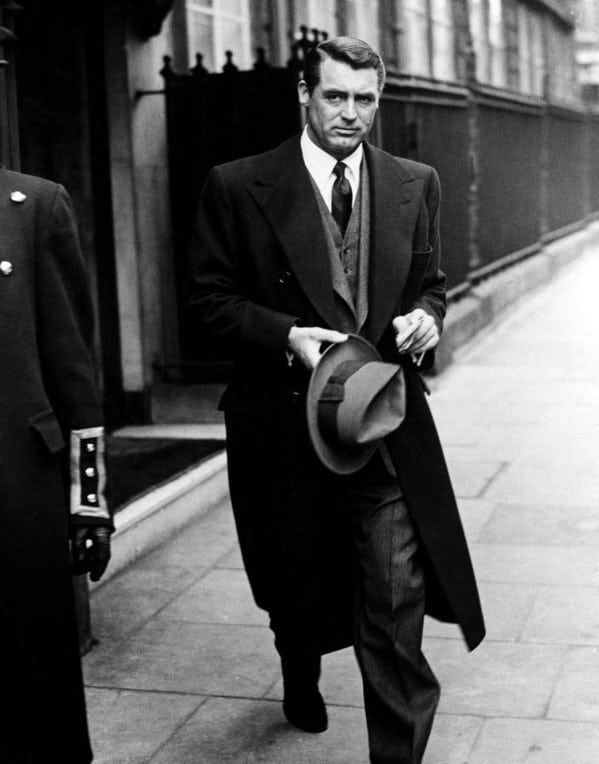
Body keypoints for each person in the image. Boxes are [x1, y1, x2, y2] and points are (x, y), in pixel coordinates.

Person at [189, 36, 485, 764]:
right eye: (335, 96)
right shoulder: (238, 184)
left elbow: (431, 284)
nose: (350, 113)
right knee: (295, 583)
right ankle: (299, 665)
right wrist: (284, 334)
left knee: (395, 595)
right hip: (282, 424)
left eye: (365, 99)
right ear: (304, 95)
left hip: (382, 424)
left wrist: (427, 318)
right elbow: (206, 302)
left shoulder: (415, 182)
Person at [0, 166, 112, 762]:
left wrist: (88, 502)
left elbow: (71, 365)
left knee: (34, 678)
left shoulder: (33, 206)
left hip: (17, 482)